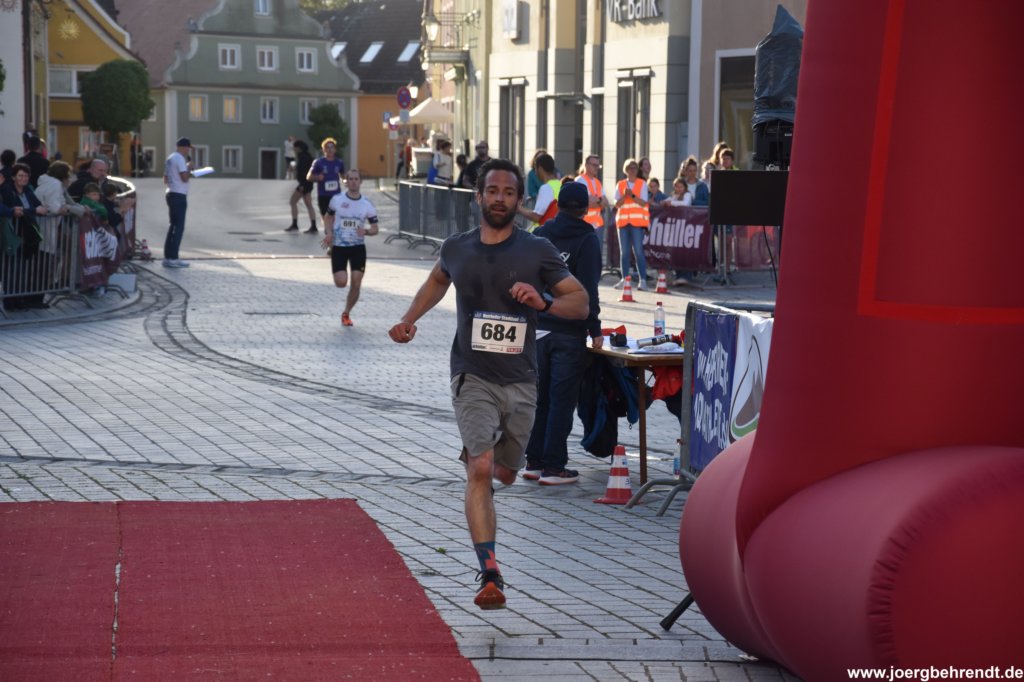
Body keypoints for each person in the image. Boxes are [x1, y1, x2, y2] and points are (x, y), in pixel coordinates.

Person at [388, 158, 589, 610]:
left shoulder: (536, 250)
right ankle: (490, 572)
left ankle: (485, 455)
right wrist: (408, 319)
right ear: (478, 196)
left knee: (505, 473)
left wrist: (543, 301)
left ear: (520, 201)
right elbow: (437, 280)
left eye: (509, 192)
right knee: (480, 469)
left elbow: (580, 304)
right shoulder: (457, 248)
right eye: (492, 191)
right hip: (471, 374)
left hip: (521, 381)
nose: (500, 198)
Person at [523, 181, 603, 485]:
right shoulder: (587, 239)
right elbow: (588, 289)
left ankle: (534, 461)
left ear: (558, 204)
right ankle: (554, 466)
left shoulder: (541, 234)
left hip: (539, 327)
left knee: (540, 398)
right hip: (569, 330)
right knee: (562, 400)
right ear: (585, 209)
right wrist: (594, 328)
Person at [319, 168, 379, 327]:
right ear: (346, 182)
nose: (353, 182)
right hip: (339, 247)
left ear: (360, 182)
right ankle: (345, 304)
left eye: (356, 179)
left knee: (356, 283)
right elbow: (328, 217)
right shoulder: (337, 200)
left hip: (357, 248)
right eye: (350, 179)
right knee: (341, 282)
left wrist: (366, 231)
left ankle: (346, 313)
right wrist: (329, 233)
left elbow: (375, 229)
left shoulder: (367, 204)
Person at [2, 163, 50, 309]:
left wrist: (32, 210)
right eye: (20, 175)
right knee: (12, 268)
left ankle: (20, 299)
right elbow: (14, 209)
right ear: (13, 177)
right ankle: (10, 301)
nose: (24, 178)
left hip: (27, 234)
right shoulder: (7, 190)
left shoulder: (28, 190)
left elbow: (37, 205)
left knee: (23, 267)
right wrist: (33, 211)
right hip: (13, 233)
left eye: (26, 176)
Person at [613, 158, 650, 289]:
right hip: (623, 222)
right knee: (624, 252)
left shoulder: (642, 183)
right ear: (626, 170)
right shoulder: (620, 184)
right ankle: (624, 279)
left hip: (636, 222)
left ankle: (642, 280)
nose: (632, 170)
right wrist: (624, 196)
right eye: (629, 168)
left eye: (634, 167)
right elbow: (617, 204)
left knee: (638, 251)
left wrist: (632, 196)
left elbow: (644, 202)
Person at [576, 154, 611, 265]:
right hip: (584, 224)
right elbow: (587, 202)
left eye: (598, 165)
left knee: (596, 255)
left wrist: (596, 200)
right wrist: (599, 200)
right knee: (585, 254)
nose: (597, 168)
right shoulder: (580, 180)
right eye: (594, 165)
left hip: (597, 225)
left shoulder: (597, 182)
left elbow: (606, 203)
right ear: (586, 165)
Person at [163, 137, 192, 268]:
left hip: (170, 192)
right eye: (188, 148)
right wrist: (189, 169)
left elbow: (165, 179)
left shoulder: (170, 158)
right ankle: (173, 258)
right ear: (184, 147)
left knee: (172, 226)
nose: (188, 150)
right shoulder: (180, 158)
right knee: (178, 227)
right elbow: (184, 178)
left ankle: (169, 256)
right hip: (179, 194)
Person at [307, 137, 345, 233]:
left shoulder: (339, 162)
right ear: (323, 149)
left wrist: (346, 181)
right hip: (323, 195)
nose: (330, 149)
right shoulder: (318, 162)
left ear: (335, 149)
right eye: (327, 147)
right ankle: (328, 232)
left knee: (335, 216)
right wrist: (317, 177)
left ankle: (332, 233)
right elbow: (309, 177)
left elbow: (343, 176)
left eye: (332, 147)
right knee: (325, 215)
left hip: (336, 195)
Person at [516, 153, 559, 229]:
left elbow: (536, 217)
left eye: (535, 169)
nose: (535, 173)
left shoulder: (546, 188)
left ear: (540, 168)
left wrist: (518, 208)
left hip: (541, 232)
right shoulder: (559, 184)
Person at [286, 140, 317, 233]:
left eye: (295, 148)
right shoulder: (307, 156)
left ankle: (295, 224)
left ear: (298, 148)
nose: (294, 150)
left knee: (293, 201)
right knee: (309, 205)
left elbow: (304, 172)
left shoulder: (303, 157)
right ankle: (313, 226)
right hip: (308, 184)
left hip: (304, 184)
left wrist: (303, 185)